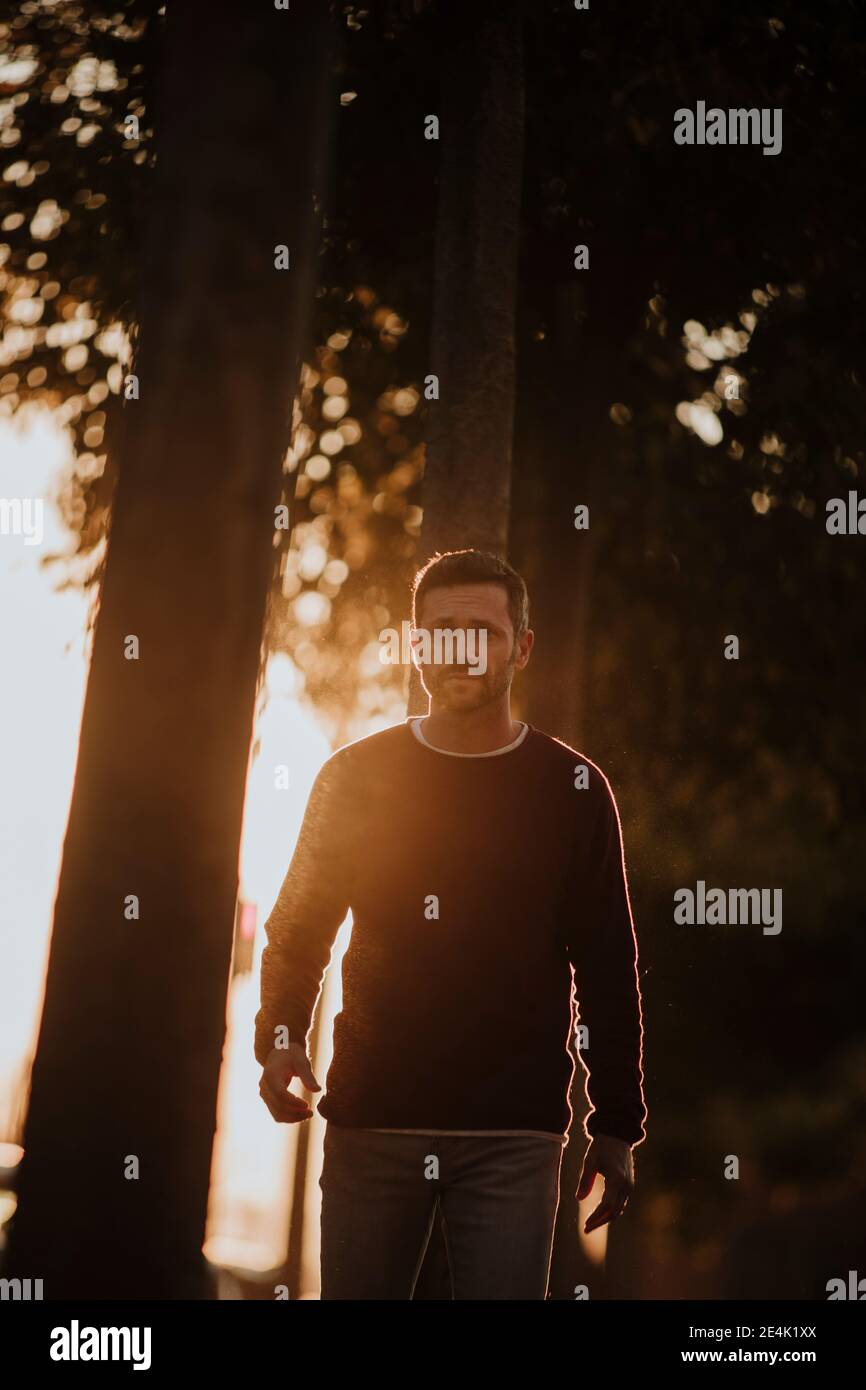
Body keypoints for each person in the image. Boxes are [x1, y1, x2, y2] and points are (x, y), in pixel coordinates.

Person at [255, 548, 647, 1299]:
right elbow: (299, 926)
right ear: (414, 644)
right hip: (373, 1120)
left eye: (483, 631)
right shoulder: (354, 778)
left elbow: (606, 966)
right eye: (440, 631)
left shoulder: (573, 790)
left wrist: (619, 1123)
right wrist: (281, 1037)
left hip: (516, 1136)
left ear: (522, 647)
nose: (460, 649)